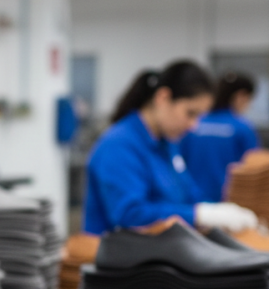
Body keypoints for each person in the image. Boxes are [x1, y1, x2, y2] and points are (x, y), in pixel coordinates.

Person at [83, 60, 258, 235]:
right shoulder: (119, 146)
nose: (193, 126)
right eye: (190, 113)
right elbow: (130, 215)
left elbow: (188, 194)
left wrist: (216, 210)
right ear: (163, 98)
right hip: (118, 258)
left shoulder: (167, 145)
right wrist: (199, 215)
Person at [180, 72, 261, 202]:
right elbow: (255, 170)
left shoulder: (193, 124)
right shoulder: (242, 128)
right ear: (241, 96)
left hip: (191, 202)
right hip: (229, 202)